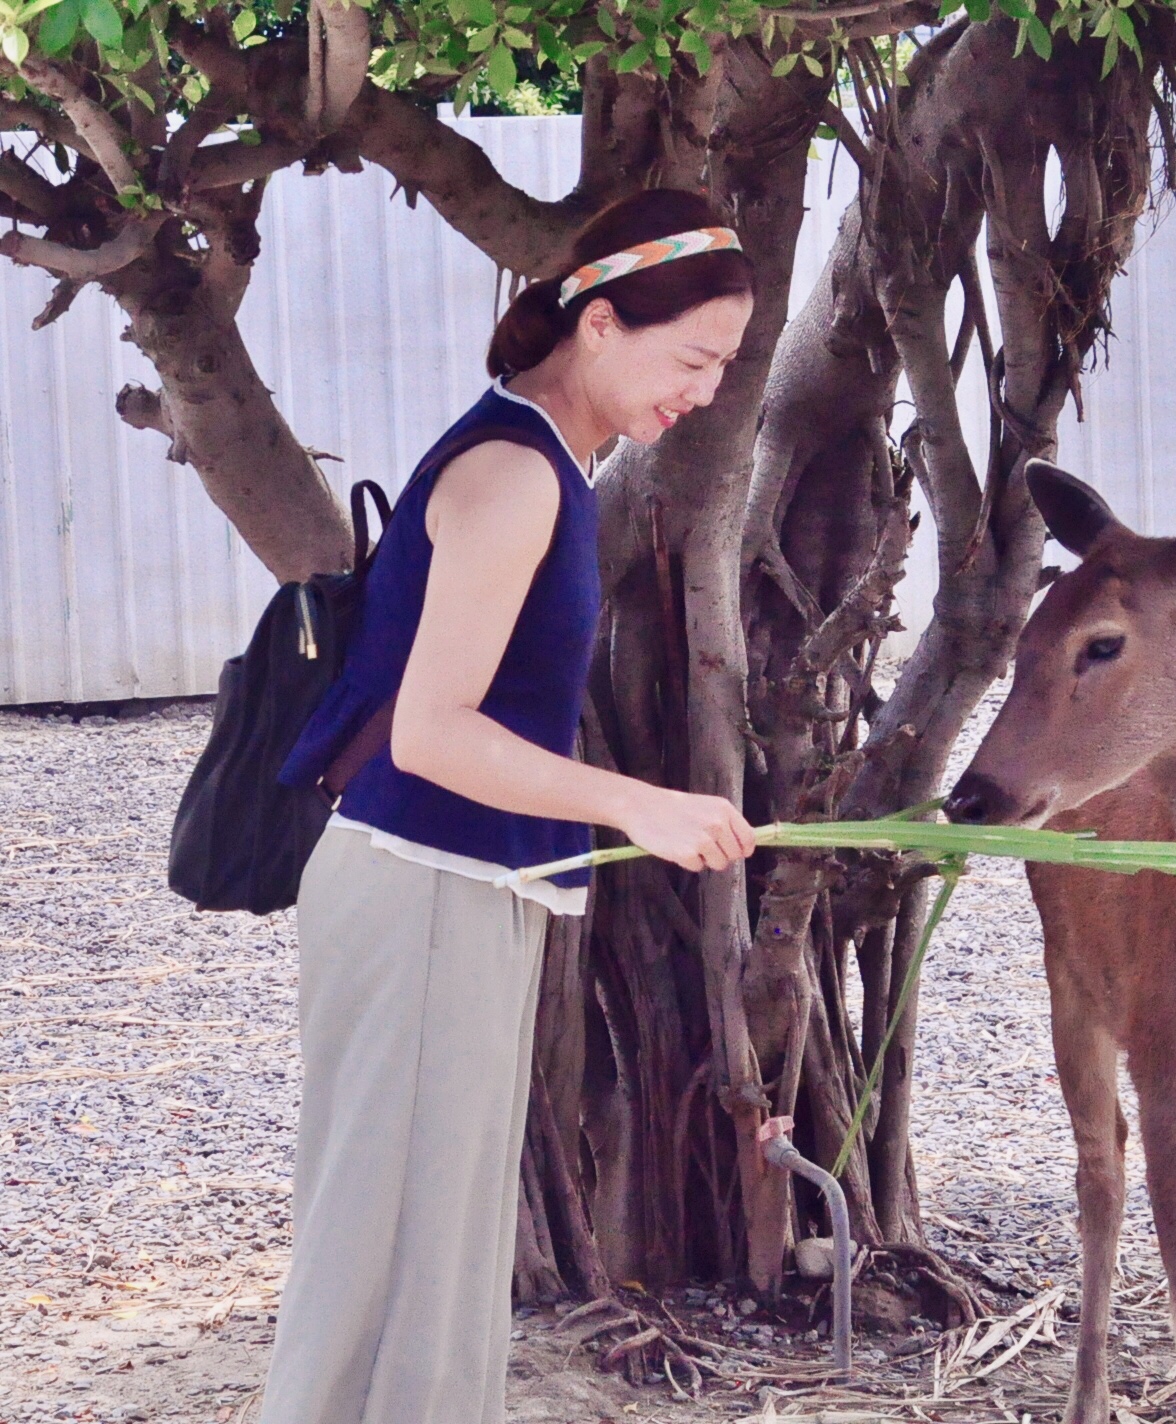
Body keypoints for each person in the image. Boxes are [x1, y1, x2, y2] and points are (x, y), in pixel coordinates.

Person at [259, 188, 758, 1424]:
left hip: (459, 891)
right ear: (597, 322)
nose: (703, 391)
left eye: (725, 366)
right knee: (386, 1252)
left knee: (441, 1248)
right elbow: (434, 734)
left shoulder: (546, 460)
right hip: (424, 887)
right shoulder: (514, 471)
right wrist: (639, 802)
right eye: (693, 357)